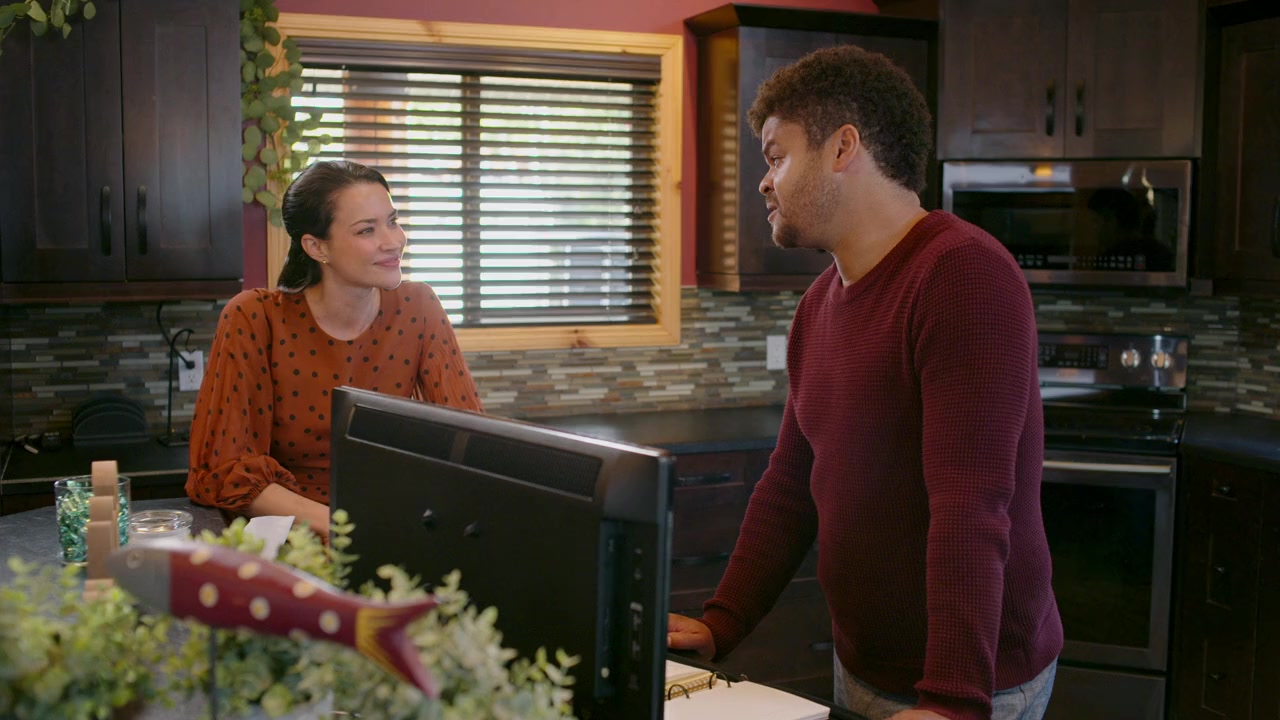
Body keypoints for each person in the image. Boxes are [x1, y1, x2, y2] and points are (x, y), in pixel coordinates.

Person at [666, 45, 1063, 720]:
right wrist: (722, 621)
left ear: (843, 147)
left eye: (776, 156)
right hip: (865, 667)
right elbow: (791, 483)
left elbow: (971, 504)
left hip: (975, 685)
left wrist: (952, 699)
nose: (764, 183)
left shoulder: (962, 276)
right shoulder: (818, 305)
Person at [186, 160, 482, 537]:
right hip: (295, 536)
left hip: (394, 526)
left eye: (392, 221)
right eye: (367, 230)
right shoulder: (254, 317)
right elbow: (224, 470)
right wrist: (343, 530)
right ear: (316, 246)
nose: (393, 241)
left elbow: (471, 443)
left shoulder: (419, 306)